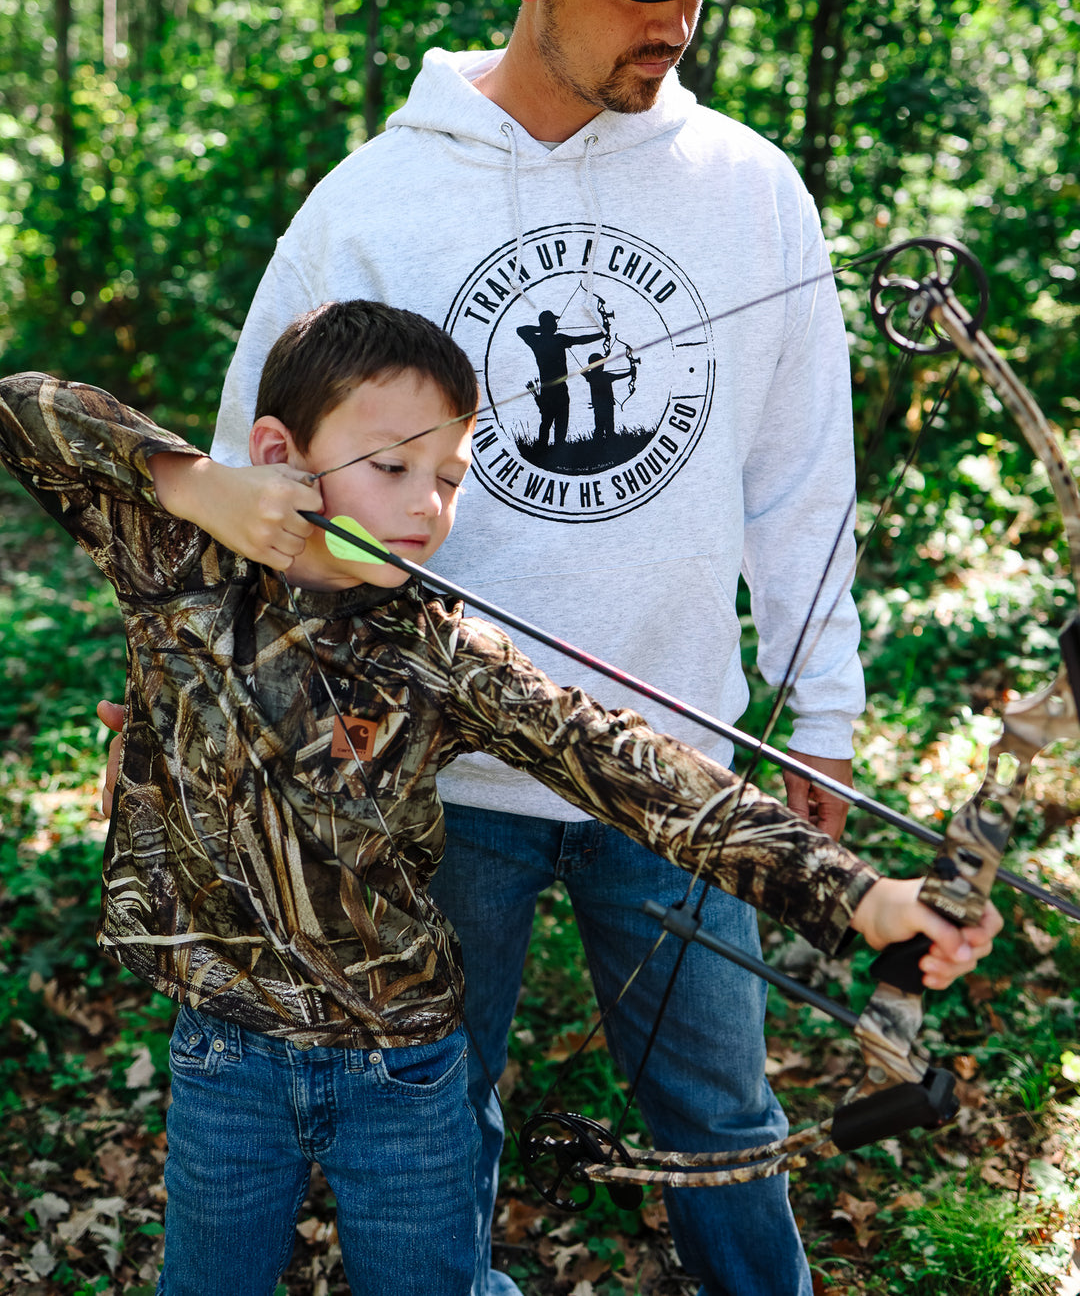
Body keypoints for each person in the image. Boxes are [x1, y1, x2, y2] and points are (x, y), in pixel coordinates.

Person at [172, 0, 861, 1294]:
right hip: (431, 779)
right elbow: (245, 483)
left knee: (720, 1122)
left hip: (673, 765)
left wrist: (825, 714)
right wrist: (231, 697)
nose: (672, 18)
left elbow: (800, 476)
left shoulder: (753, 190)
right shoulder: (372, 205)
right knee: (437, 1127)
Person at [0, 302, 998, 1296]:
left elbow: (629, 765)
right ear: (280, 450)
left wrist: (862, 897)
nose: (426, 506)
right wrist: (199, 482)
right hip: (224, 1050)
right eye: (390, 466)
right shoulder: (177, 559)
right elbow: (22, 406)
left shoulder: (435, 646)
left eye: (448, 478)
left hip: (405, 1072)